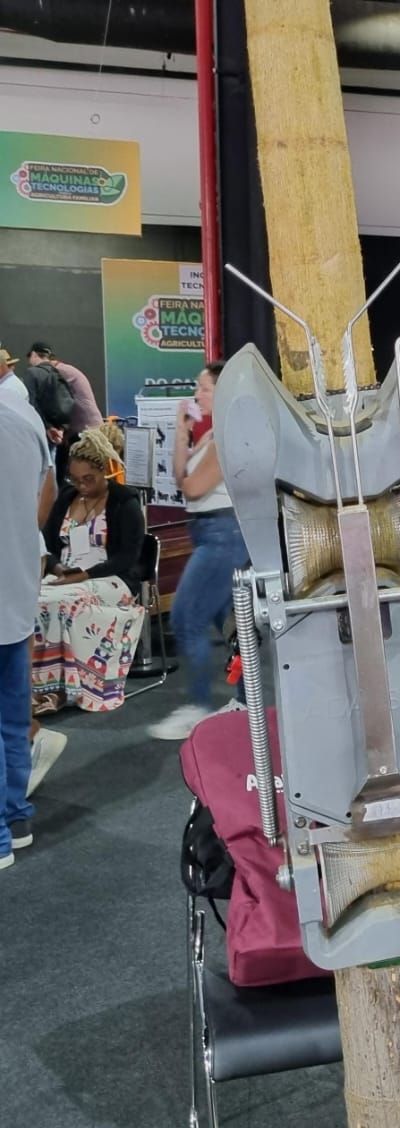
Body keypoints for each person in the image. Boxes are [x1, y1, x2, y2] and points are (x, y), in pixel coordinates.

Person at [148, 360, 250, 741]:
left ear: (223, 391)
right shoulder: (211, 435)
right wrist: (182, 431)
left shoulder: (229, 437)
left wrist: (188, 477)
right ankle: (244, 703)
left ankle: (200, 706)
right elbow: (181, 477)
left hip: (223, 535)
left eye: (204, 388)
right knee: (234, 629)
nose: (196, 394)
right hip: (210, 533)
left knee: (185, 618)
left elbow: (191, 489)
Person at [34, 424, 147, 715]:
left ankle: (65, 687)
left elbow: (127, 557)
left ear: (104, 471)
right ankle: (39, 686)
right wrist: (59, 568)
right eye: (75, 479)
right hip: (66, 575)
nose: (82, 485)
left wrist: (83, 575)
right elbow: (48, 542)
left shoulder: (125, 502)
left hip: (112, 578)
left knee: (66, 603)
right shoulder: (66, 498)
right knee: (34, 599)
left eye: (88, 479)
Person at [0, 380, 53, 869]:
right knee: (13, 720)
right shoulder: (25, 419)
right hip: (16, 592)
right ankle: (15, 819)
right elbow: (44, 495)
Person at [28, 343, 104, 488]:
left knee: (60, 469)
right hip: (89, 427)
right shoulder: (65, 369)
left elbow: (55, 403)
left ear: (34, 355)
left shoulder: (56, 372)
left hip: (84, 430)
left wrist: (52, 427)